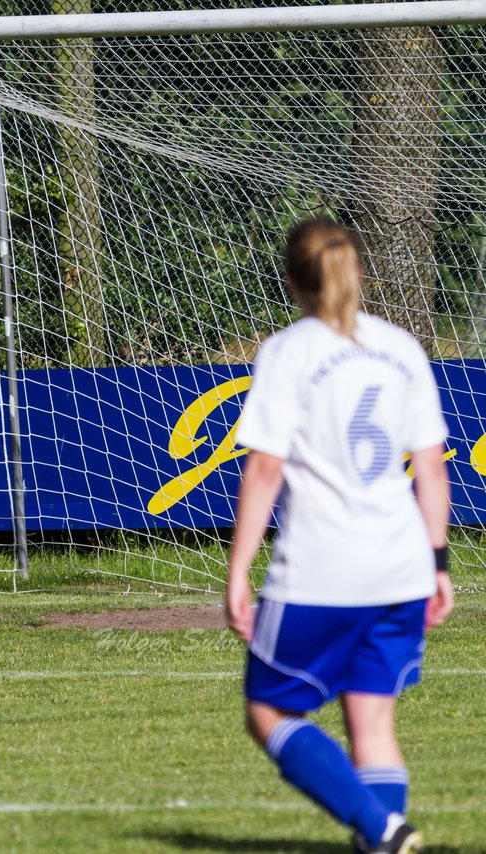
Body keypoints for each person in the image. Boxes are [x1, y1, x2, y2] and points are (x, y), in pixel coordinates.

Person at [226, 218, 455, 854]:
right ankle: (383, 834)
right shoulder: (402, 348)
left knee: (268, 712)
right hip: (401, 567)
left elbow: (265, 468)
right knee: (373, 720)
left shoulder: (288, 351)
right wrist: (437, 564)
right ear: (357, 272)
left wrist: (239, 570)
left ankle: (381, 827)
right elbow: (431, 467)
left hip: (321, 571)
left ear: (290, 281)